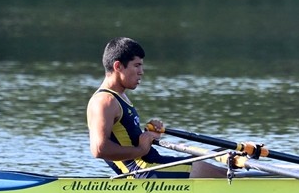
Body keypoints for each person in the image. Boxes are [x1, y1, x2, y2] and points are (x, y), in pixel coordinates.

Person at [86, 37, 227, 178]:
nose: (141, 71)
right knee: (218, 173)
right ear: (118, 66)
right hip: (141, 171)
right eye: (136, 65)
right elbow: (99, 149)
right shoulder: (105, 101)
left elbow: (125, 139)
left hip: (152, 164)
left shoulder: (120, 97)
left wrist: (149, 135)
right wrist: (141, 149)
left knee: (222, 169)